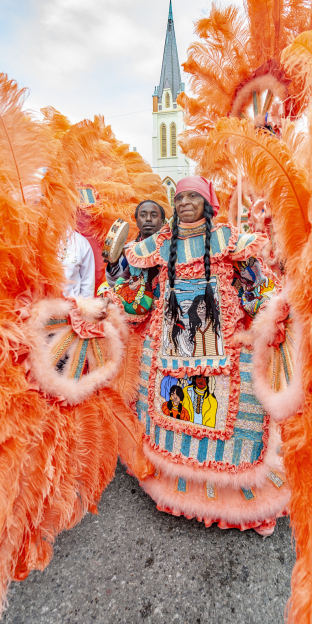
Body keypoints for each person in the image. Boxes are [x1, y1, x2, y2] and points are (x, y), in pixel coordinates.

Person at [114, 175, 294, 535]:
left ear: (208, 204)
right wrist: (114, 303)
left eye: (192, 197)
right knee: (169, 412)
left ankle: (241, 502)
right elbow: (135, 292)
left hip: (220, 351)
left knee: (231, 411)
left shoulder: (228, 241)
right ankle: (172, 489)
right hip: (169, 350)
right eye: (179, 198)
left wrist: (272, 318)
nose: (183, 204)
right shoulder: (158, 244)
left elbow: (254, 290)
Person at [100, 200, 165, 290]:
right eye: (143, 215)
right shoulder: (128, 250)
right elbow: (115, 285)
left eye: (154, 215)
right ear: (137, 222)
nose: (148, 219)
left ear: (162, 222)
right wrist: (113, 263)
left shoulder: (170, 247)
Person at [62, 229, 96, 298]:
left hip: (72, 306)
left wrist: (86, 307)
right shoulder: (36, 239)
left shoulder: (81, 242)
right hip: (42, 306)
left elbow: (87, 284)